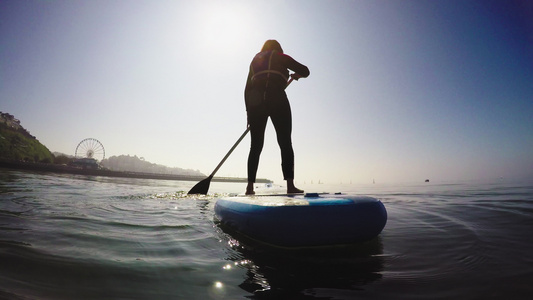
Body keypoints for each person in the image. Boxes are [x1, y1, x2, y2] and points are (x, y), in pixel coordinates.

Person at [244, 40, 310, 195]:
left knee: (255, 146)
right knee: (285, 142)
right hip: (278, 99)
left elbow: (247, 89)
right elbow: (306, 71)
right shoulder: (281, 57)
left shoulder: (255, 61)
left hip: (256, 103)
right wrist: (298, 75)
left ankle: (250, 187)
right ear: (278, 49)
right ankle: (290, 186)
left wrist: (249, 112)